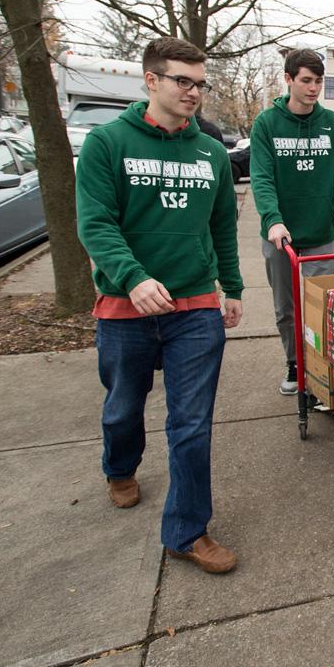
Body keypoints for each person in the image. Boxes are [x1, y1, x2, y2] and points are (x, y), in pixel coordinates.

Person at [76, 37, 243, 575]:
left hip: (194, 306)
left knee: (191, 423)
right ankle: (119, 467)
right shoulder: (107, 144)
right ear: (151, 81)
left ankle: (186, 531)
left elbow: (222, 226)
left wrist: (232, 287)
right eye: (183, 81)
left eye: (200, 83)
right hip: (126, 309)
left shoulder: (212, 153)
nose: (194, 92)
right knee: (123, 406)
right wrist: (131, 278)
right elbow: (96, 224)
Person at [250, 48, 334, 394]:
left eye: (319, 81)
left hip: (320, 233)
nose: (313, 88)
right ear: (289, 79)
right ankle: (295, 364)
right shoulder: (266, 124)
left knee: (323, 307)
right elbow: (261, 178)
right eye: (306, 80)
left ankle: (321, 371)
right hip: (281, 237)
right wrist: (273, 220)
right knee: (286, 309)